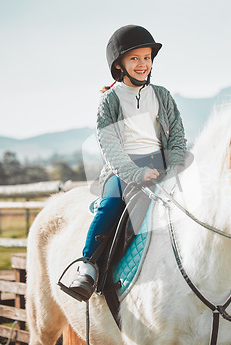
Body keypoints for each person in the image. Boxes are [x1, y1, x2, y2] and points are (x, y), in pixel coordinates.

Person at [68, 25, 187, 301]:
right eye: (134, 58)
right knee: (111, 205)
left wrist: (177, 165)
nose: (142, 64)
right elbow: (109, 146)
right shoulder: (109, 101)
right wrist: (135, 173)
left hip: (162, 166)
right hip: (122, 169)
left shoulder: (162, 95)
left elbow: (177, 135)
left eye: (146, 57)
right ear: (119, 64)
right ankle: (87, 266)